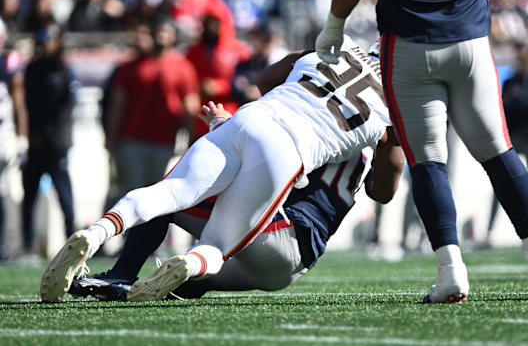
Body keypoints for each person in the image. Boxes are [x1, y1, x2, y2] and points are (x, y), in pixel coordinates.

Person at [40, 35, 398, 303]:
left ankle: (108, 248)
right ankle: (186, 269)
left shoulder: (334, 49)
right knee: (210, 259)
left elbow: (265, 80)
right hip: (291, 257)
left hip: (262, 141)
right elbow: (382, 192)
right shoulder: (388, 114)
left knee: (168, 194)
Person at [315, 0, 528, 302]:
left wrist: (334, 27)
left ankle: (451, 272)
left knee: (428, 160)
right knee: (498, 151)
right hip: (469, 41)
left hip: (408, 43)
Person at [104, 19, 200, 198]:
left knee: (157, 196)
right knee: (132, 194)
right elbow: (118, 105)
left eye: (166, 31)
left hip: (165, 141)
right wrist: (112, 136)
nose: (161, 35)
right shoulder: (131, 67)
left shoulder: (183, 67)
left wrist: (190, 141)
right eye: (158, 31)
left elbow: (190, 106)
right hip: (133, 139)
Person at [485, 41, 528, 246]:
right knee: (501, 183)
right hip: (512, 136)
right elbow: (504, 107)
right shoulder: (511, 81)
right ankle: (489, 231)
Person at [21, 22, 77, 254]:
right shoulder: (32, 69)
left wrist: (53, 137)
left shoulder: (65, 70)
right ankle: (27, 245)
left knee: (64, 195)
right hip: (35, 142)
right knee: (29, 195)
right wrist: (29, 135)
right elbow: (26, 105)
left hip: (56, 144)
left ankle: (73, 241)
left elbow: (66, 108)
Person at [0, 18, 28, 259]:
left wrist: (21, 137)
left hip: (3, 132)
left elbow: (19, 105)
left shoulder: (8, 63)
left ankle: (7, 243)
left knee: (6, 189)